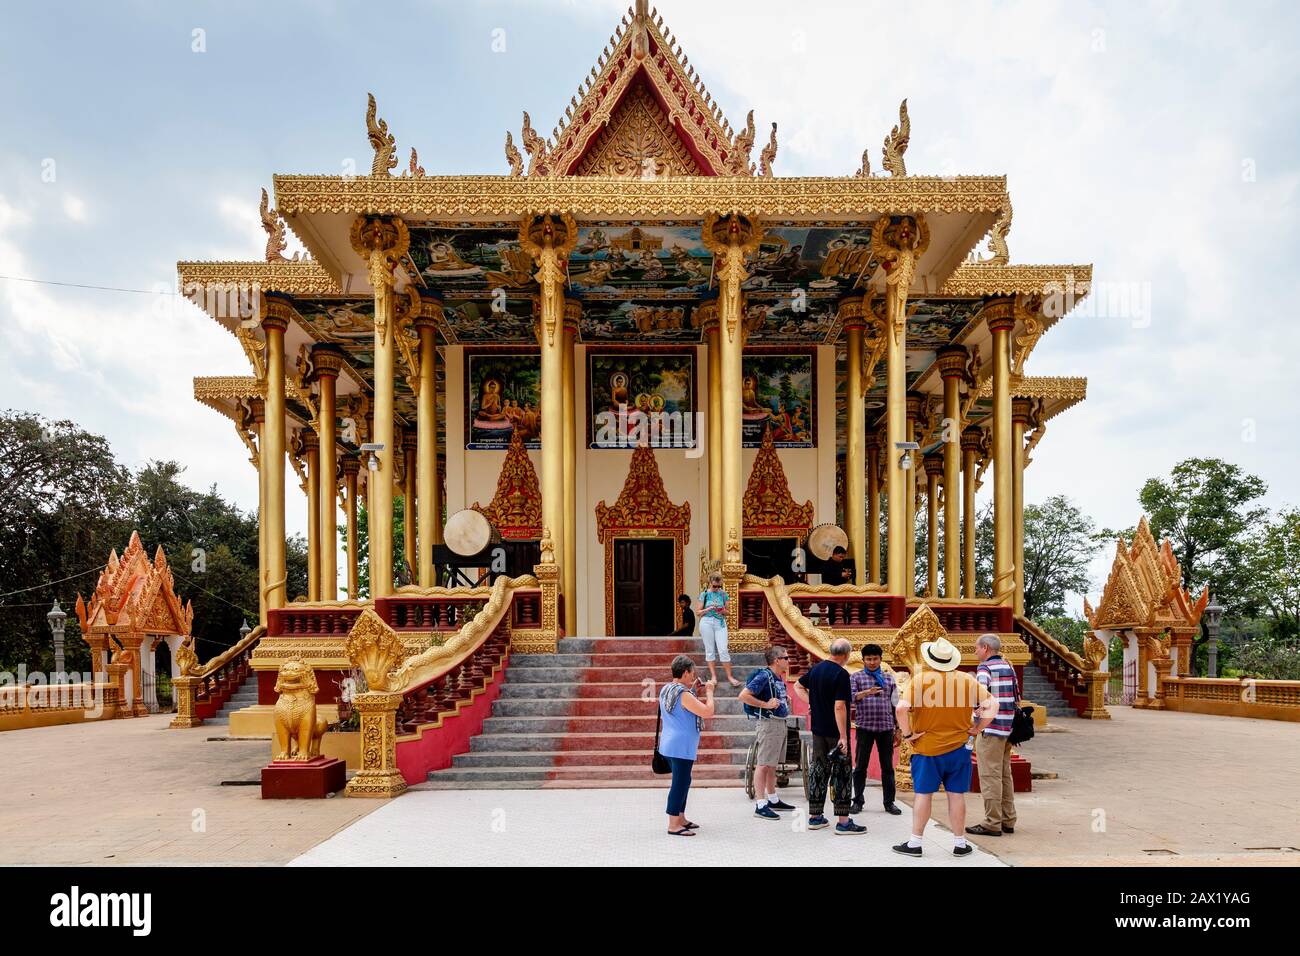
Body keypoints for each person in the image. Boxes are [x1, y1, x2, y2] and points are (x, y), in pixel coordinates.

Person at [892, 636, 999, 858]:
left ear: (931, 659)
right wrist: (977, 728)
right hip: (959, 747)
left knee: (923, 794)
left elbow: (901, 709)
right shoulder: (966, 680)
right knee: (956, 795)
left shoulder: (920, 680)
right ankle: (960, 843)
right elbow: (993, 705)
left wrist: (908, 734)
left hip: (927, 748)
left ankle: (915, 843)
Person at [793, 638, 865, 834]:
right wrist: (843, 736)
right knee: (842, 773)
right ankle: (843, 821)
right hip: (835, 732)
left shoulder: (816, 669)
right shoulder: (841, 674)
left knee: (818, 770)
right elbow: (840, 706)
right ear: (846, 654)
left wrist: (813, 704)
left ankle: (815, 817)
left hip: (818, 730)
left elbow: (797, 686)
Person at [967, 633, 1019, 837]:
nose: (976, 651)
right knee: (1005, 774)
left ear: (986, 648)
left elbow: (980, 700)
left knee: (990, 776)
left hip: (990, 729)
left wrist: (975, 726)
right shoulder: (1009, 666)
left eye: (977, 648)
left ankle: (992, 821)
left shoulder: (985, 668)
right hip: (1008, 729)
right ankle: (1008, 819)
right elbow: (1017, 698)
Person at [658, 654, 716, 837]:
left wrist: (692, 689)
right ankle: (673, 823)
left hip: (669, 744)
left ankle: (680, 817)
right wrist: (709, 693)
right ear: (685, 672)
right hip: (681, 746)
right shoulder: (683, 694)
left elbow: (680, 705)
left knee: (684, 781)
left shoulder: (667, 689)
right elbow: (707, 712)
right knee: (679, 783)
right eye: (692, 673)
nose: (693, 676)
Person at [737, 646, 797, 819]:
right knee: (763, 764)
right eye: (786, 658)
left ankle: (773, 798)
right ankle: (760, 803)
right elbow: (743, 695)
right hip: (769, 724)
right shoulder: (764, 675)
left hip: (779, 723)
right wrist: (765, 705)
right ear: (777, 660)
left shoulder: (777, 677)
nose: (788, 660)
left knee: (772, 764)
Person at [849, 643, 902, 816]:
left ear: (881, 659)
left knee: (887, 767)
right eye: (869, 659)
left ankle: (889, 803)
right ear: (863, 660)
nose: (872, 662)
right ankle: (858, 801)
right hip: (865, 727)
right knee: (860, 767)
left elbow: (896, 705)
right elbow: (851, 699)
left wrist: (898, 728)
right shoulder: (856, 677)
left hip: (886, 727)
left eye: (875, 659)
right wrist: (866, 692)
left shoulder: (889, 679)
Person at [696, 572, 740, 686]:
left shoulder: (723, 594)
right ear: (710, 583)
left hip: (720, 623)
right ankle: (713, 676)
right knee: (710, 650)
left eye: (719, 586)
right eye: (714, 586)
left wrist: (721, 610)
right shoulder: (704, 594)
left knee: (723, 649)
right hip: (706, 622)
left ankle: (730, 677)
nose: (716, 588)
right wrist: (708, 608)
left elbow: (728, 612)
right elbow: (698, 612)